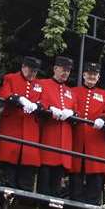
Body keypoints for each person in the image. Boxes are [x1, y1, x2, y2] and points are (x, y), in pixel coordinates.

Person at [0, 55, 44, 191]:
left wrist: (38, 105)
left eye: (35, 71)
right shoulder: (11, 78)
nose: (32, 73)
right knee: (8, 172)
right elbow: (4, 92)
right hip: (12, 128)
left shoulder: (39, 84)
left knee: (26, 174)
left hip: (30, 132)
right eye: (30, 69)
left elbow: (45, 101)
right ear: (23, 67)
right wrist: (19, 99)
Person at [70, 62, 105, 204]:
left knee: (95, 174)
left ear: (99, 77)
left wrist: (103, 118)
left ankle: (92, 205)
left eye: (94, 74)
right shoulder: (74, 91)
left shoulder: (104, 95)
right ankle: (75, 202)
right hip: (78, 138)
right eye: (89, 74)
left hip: (95, 141)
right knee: (76, 172)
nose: (91, 77)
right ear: (83, 75)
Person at [37, 55, 77, 197]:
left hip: (63, 142)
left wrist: (71, 112)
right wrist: (49, 108)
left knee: (57, 181)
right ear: (55, 69)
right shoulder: (42, 83)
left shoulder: (70, 92)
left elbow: (75, 111)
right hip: (48, 136)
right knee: (44, 175)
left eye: (68, 70)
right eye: (63, 69)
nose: (65, 73)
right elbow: (37, 102)